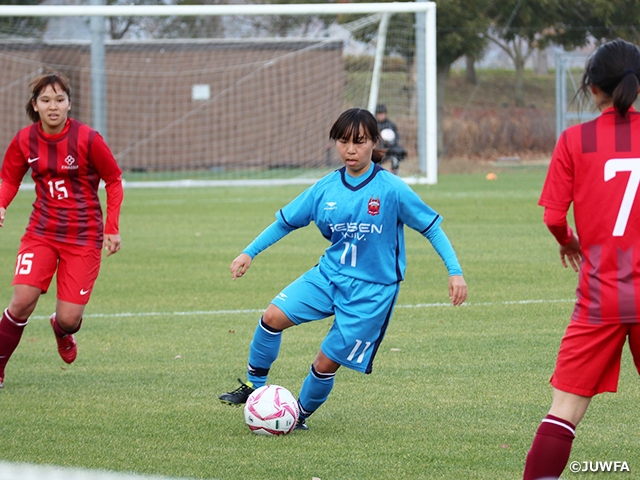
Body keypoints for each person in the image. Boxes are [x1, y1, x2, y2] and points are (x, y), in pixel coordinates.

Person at [219, 107, 467, 430]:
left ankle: (297, 417)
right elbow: (285, 222)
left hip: (371, 292)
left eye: (359, 142)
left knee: (324, 362)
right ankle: (254, 387)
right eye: (343, 141)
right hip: (329, 276)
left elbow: (431, 227)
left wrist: (455, 270)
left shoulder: (391, 189)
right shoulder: (326, 188)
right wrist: (248, 253)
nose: (350, 150)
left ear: (374, 142)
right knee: (272, 317)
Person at [523, 38, 640, 479]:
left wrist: (569, 240)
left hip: (602, 294)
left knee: (564, 411)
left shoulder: (576, 139)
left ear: (592, 87)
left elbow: (554, 217)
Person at [0, 71, 123, 388]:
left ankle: (61, 329)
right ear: (35, 105)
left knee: (70, 319)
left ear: (69, 104)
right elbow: (10, 179)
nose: (53, 106)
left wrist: (112, 228)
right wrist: (1, 204)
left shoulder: (88, 139)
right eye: (45, 100)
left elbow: (114, 180)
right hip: (41, 233)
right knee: (22, 301)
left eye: (59, 99)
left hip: (83, 239)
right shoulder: (24, 140)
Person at [375, 104, 406, 175]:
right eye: (379, 114)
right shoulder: (374, 125)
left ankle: (394, 170)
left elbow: (397, 137)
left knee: (399, 151)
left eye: (382, 113)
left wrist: (392, 142)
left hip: (391, 147)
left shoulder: (391, 124)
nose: (381, 116)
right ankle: (378, 171)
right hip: (379, 147)